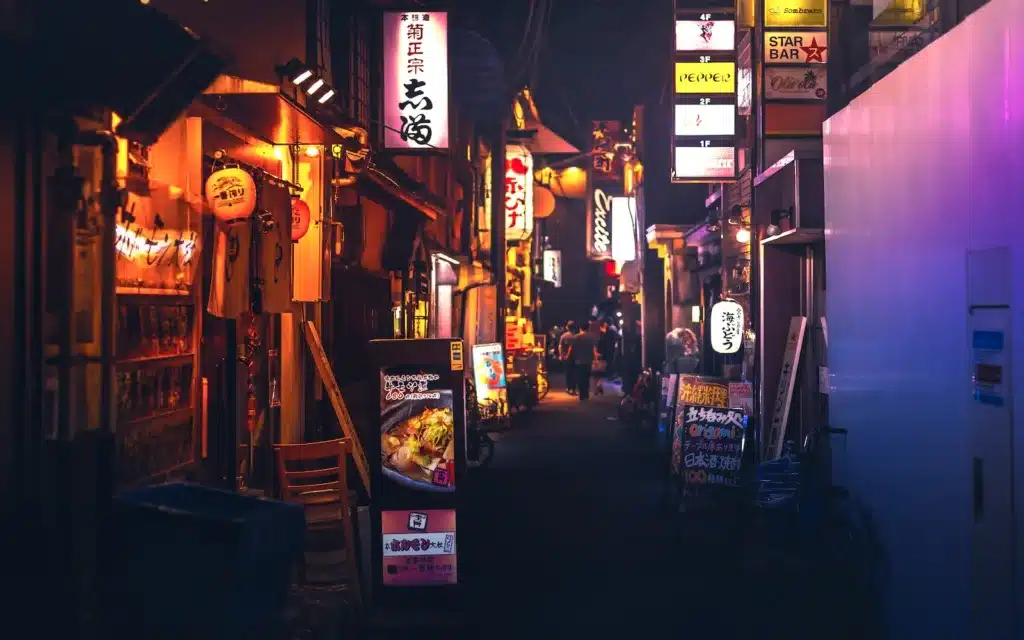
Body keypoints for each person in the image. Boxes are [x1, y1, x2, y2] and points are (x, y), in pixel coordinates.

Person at [570, 321, 600, 401]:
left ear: (580, 328)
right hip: (588, 360)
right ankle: (586, 394)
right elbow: (594, 349)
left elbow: (572, 349)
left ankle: (582, 395)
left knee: (580, 378)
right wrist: (596, 360)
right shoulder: (592, 337)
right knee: (586, 378)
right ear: (588, 328)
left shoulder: (576, 337)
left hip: (579, 360)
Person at [558, 321, 578, 395]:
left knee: (568, 373)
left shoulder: (563, 336)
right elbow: (572, 348)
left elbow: (560, 346)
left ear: (567, 327)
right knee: (574, 373)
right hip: (574, 357)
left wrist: (561, 355)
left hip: (565, 358)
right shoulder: (575, 336)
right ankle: (573, 389)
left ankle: (568, 388)